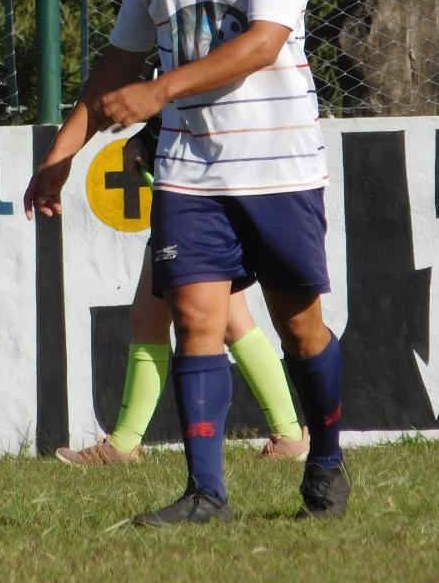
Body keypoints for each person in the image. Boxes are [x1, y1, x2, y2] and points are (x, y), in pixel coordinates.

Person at [24, 0, 349, 525]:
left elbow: (262, 44)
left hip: (276, 166)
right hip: (188, 170)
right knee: (196, 317)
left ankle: (326, 460)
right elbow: (119, 60)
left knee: (300, 327)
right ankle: (206, 494)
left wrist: (159, 93)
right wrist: (61, 156)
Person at [54, 120, 310, 466]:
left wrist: (146, 134)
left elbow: (187, 104)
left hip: (195, 205)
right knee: (170, 319)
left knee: (205, 321)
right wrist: (145, 139)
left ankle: (125, 444)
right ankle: (289, 436)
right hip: (194, 200)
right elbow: (178, 108)